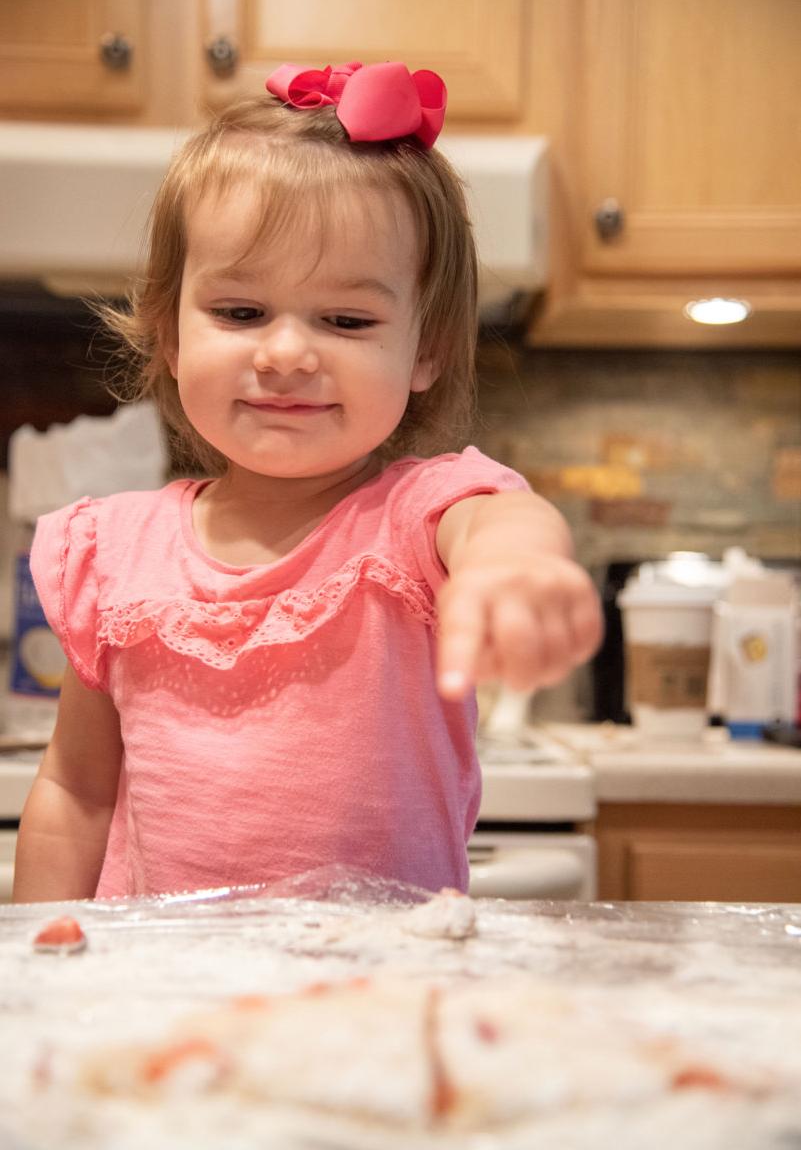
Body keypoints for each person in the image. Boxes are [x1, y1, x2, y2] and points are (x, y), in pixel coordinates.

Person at [13, 61, 602, 903]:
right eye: (241, 312)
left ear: (426, 349)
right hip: (158, 1003)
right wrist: (39, 967)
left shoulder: (415, 517)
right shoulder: (111, 552)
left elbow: (499, 523)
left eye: (347, 320)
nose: (286, 353)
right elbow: (76, 791)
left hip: (374, 1000)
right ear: (169, 335)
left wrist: (518, 567)